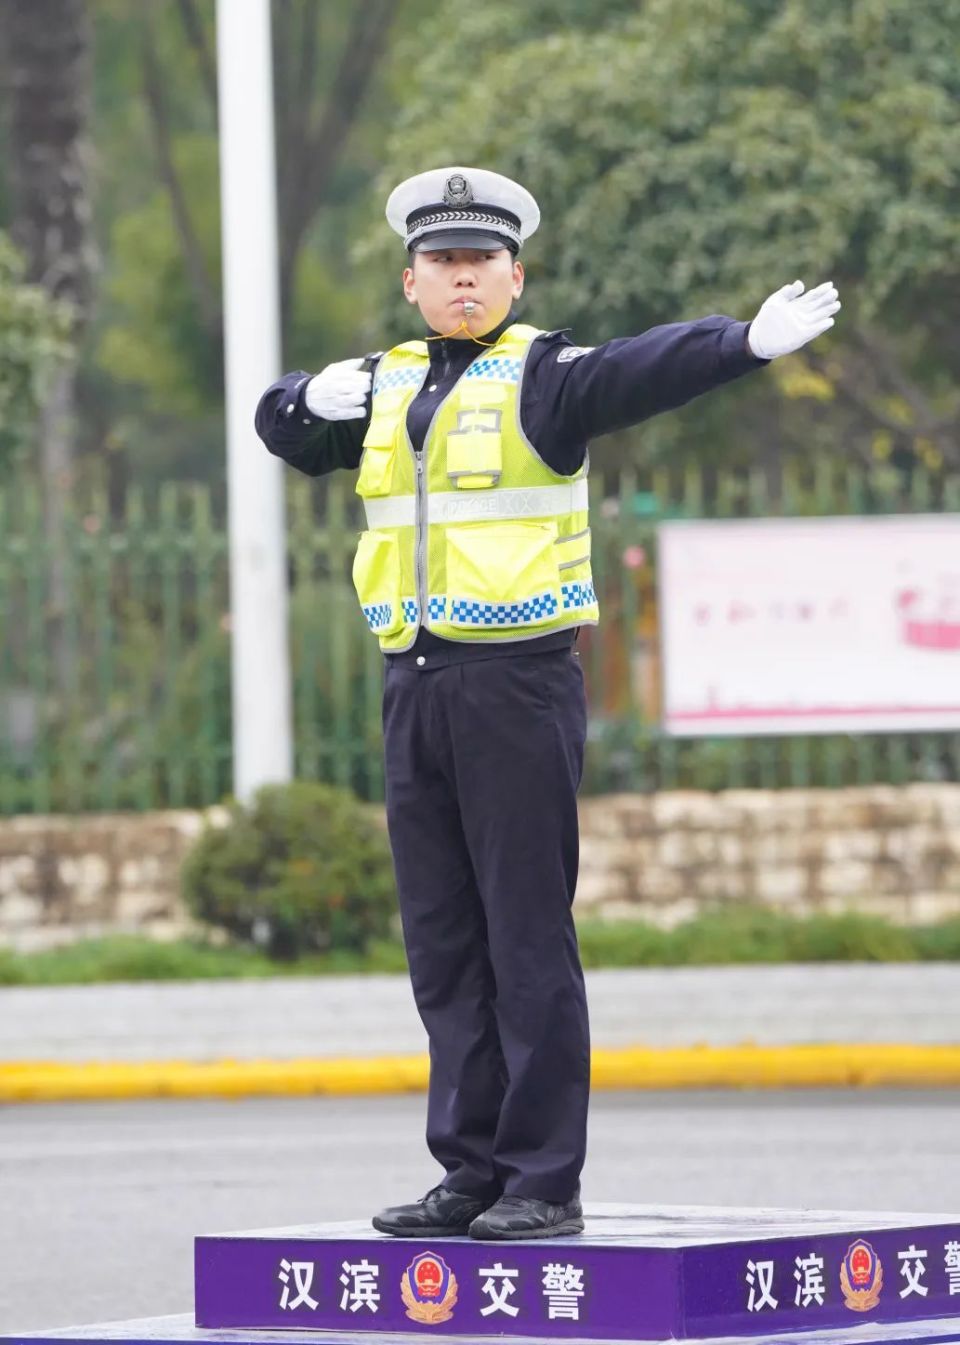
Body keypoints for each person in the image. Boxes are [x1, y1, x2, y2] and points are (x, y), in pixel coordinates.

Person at [254, 166, 841, 1241]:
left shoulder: (547, 376)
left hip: (517, 684)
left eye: (481, 263)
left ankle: (540, 1177)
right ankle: (467, 1170)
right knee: (444, 940)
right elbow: (293, 438)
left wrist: (740, 343)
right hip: (414, 684)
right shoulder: (381, 384)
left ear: (515, 276)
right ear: (411, 280)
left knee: (525, 934)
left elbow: (637, 370)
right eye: (444, 263)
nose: (463, 279)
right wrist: (295, 398)